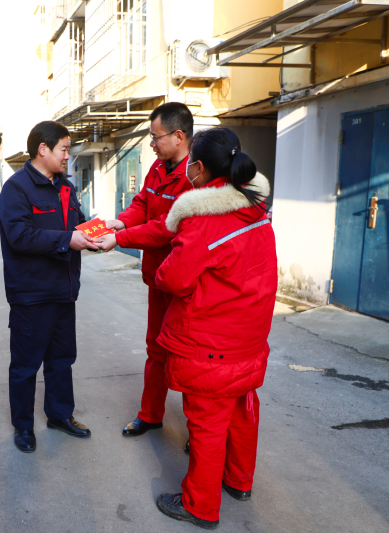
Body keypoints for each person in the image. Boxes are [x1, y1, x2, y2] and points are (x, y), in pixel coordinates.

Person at [153, 128, 276, 529]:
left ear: (201, 168)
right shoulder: (255, 210)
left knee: (206, 424)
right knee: (242, 411)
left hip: (210, 344)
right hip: (249, 339)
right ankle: (239, 482)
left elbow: (173, 278)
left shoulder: (205, 221)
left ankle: (200, 506)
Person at [94, 102, 194, 439]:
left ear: (178, 136)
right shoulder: (158, 167)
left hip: (183, 282)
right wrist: (120, 221)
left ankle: (199, 432)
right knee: (156, 348)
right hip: (157, 277)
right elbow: (142, 203)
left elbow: (166, 226)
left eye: (155, 137)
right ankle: (150, 415)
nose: (152, 144)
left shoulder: (195, 176)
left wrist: (120, 238)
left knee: (188, 356)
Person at [0, 120, 98, 453]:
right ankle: (23, 426)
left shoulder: (65, 187)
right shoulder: (17, 188)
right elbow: (19, 236)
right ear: (43, 149)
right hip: (31, 294)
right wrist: (67, 240)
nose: (68, 155)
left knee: (61, 359)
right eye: (64, 149)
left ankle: (59, 415)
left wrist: (97, 232)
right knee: (26, 365)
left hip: (64, 290)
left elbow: (76, 225)